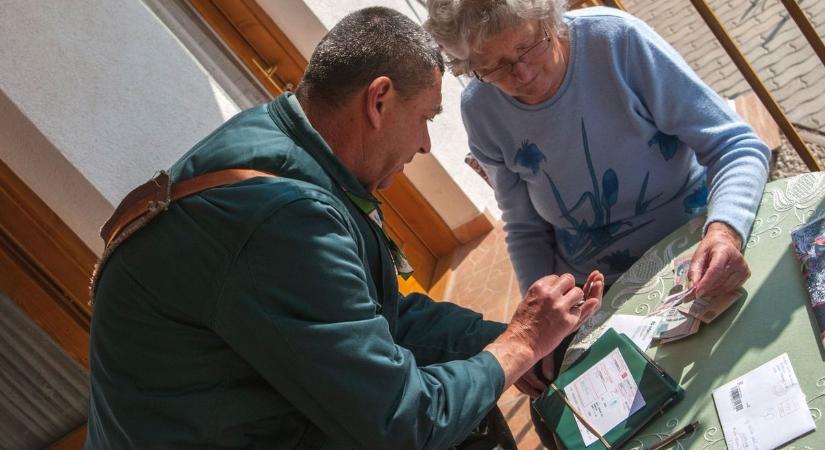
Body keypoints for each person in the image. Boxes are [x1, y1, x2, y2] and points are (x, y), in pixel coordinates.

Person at [85, 7, 604, 450]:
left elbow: (376, 316)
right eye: (425, 117)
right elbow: (402, 423)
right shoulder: (278, 217)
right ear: (378, 101)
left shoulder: (286, 149)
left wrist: (523, 345)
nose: (426, 144)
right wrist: (515, 348)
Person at [424, 1, 768, 334]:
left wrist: (724, 231)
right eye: (495, 67)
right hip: (598, 295)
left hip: (696, 246)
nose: (523, 73)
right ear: (469, 66)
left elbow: (734, 145)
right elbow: (526, 228)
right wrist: (541, 320)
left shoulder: (616, 41)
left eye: (528, 46)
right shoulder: (482, 111)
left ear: (550, 19)